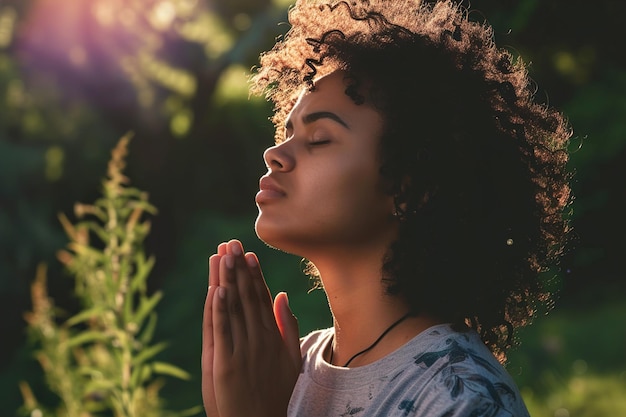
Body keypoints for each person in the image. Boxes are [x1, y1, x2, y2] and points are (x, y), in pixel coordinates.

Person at [201, 0, 572, 416]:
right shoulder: (281, 372)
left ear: (409, 186)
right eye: (286, 132)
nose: (275, 153)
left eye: (319, 138)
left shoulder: (462, 398)